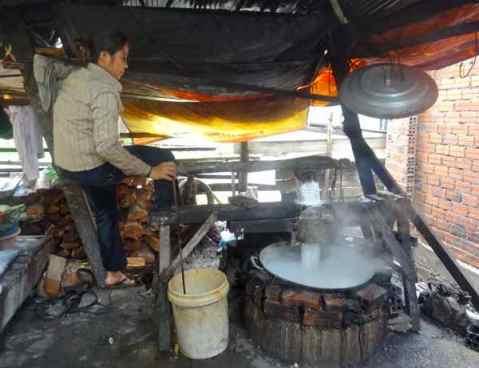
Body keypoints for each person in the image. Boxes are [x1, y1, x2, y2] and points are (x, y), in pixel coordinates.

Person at [53, 31, 176, 287]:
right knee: (163, 156)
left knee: (106, 212)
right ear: (104, 57)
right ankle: (164, 214)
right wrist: (149, 172)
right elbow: (107, 146)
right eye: (123, 58)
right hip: (93, 167)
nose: (126, 65)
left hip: (68, 165)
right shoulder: (104, 91)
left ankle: (113, 272)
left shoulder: (77, 77)